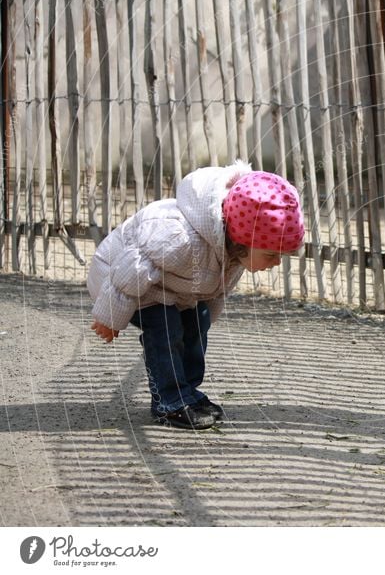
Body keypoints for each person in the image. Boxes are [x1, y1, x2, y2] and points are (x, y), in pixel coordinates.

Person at [87, 161, 305, 430]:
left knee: (195, 322)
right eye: (271, 254)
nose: (276, 262)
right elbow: (133, 267)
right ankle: (170, 402)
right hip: (118, 277)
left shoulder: (232, 255)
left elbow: (214, 291)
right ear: (243, 239)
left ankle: (187, 393)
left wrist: (201, 323)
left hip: (169, 288)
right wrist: (109, 315)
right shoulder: (181, 238)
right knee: (165, 327)